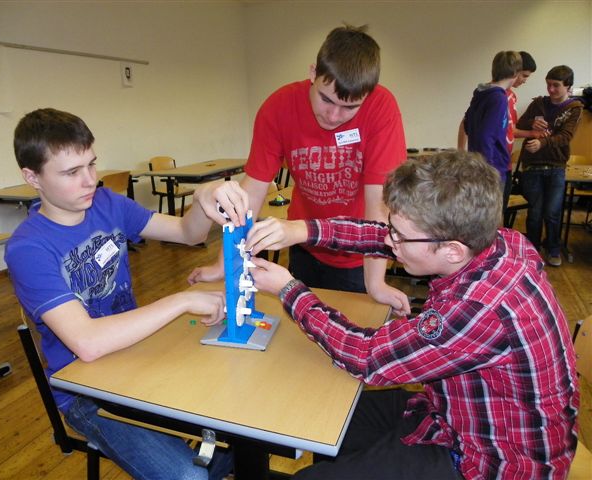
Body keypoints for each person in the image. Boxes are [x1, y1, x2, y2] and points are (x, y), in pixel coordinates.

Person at [245, 151, 579, 479]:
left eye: (399, 236)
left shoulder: (479, 308)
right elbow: (378, 235)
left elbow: (366, 357)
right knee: (325, 419)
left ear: (452, 250)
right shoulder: (499, 241)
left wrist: (288, 289)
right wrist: (300, 230)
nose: (389, 240)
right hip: (450, 414)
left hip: (490, 463)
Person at [5, 108, 246, 480]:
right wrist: (182, 300)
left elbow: (189, 233)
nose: (90, 180)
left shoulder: (108, 204)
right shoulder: (28, 248)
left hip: (136, 354)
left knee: (245, 419)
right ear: (32, 177)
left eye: (91, 164)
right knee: (190, 476)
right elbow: (87, 343)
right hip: (85, 392)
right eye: (71, 172)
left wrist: (203, 197)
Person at [188, 24, 410, 316]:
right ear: (313, 73)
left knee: (351, 331)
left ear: (366, 97)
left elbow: (378, 206)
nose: (334, 115)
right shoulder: (278, 108)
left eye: (349, 108)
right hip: (303, 242)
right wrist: (225, 263)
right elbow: (251, 194)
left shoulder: (382, 107)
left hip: (359, 256)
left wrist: (376, 284)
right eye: (326, 99)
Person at [516, 65, 584, 267]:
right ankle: (533, 249)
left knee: (553, 212)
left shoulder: (575, 108)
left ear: (568, 86)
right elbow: (519, 124)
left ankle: (553, 248)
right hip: (532, 166)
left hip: (556, 167)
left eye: (556, 85)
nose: (551, 89)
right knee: (535, 212)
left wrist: (542, 143)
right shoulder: (538, 103)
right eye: (548, 85)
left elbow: (566, 136)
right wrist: (531, 124)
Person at [459, 51, 522, 207]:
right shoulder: (498, 98)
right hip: (493, 168)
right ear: (515, 73)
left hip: (479, 164)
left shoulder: (481, 94)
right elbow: (486, 136)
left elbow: (467, 124)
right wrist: (489, 171)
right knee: (492, 214)